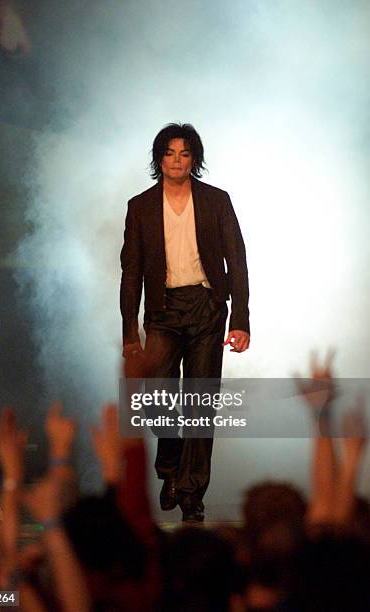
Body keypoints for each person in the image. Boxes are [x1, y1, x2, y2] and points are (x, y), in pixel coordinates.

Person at [120, 123, 250, 522]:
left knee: (200, 402)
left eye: (185, 153)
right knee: (157, 396)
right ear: (159, 158)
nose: (177, 160)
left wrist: (241, 319)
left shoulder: (215, 201)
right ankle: (170, 463)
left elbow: (237, 260)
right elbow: (131, 271)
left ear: (195, 159)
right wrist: (129, 332)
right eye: (170, 153)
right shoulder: (141, 206)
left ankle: (192, 493)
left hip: (207, 305)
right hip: (162, 308)